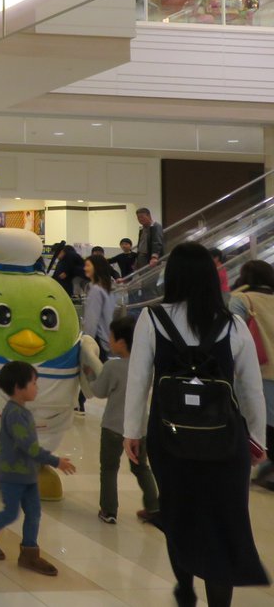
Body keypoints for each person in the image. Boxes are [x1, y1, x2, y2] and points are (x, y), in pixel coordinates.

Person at [124, 242, 268, 607]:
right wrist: (256, 441)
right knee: (223, 524)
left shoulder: (151, 319)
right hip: (224, 440)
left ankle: (185, 589)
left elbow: (138, 381)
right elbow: (251, 391)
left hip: (169, 438)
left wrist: (132, 432)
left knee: (180, 513)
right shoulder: (233, 325)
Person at [0, 361, 76, 576]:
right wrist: (56, 461)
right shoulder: (15, 414)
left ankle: (29, 554)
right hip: (12, 474)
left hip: (27, 473)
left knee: (34, 513)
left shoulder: (22, 412)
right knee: (10, 513)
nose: (37, 387)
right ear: (19, 387)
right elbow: (29, 446)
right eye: (34, 383)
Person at [88, 315, 160, 525]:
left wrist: (91, 375)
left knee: (109, 469)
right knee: (141, 467)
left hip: (113, 427)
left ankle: (109, 510)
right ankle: (153, 506)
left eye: (111, 337)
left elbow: (99, 392)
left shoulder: (113, 367)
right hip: (139, 427)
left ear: (120, 342)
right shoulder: (147, 366)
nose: (109, 341)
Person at [227, 259, 274, 488]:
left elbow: (229, 333)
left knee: (252, 422)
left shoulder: (241, 300)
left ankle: (257, 462)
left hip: (255, 372)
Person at [82, 255, 114, 358]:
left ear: (96, 267)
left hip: (97, 339)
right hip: (107, 338)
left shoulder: (96, 290)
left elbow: (92, 319)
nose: (85, 268)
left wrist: (87, 342)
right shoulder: (107, 287)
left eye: (87, 265)